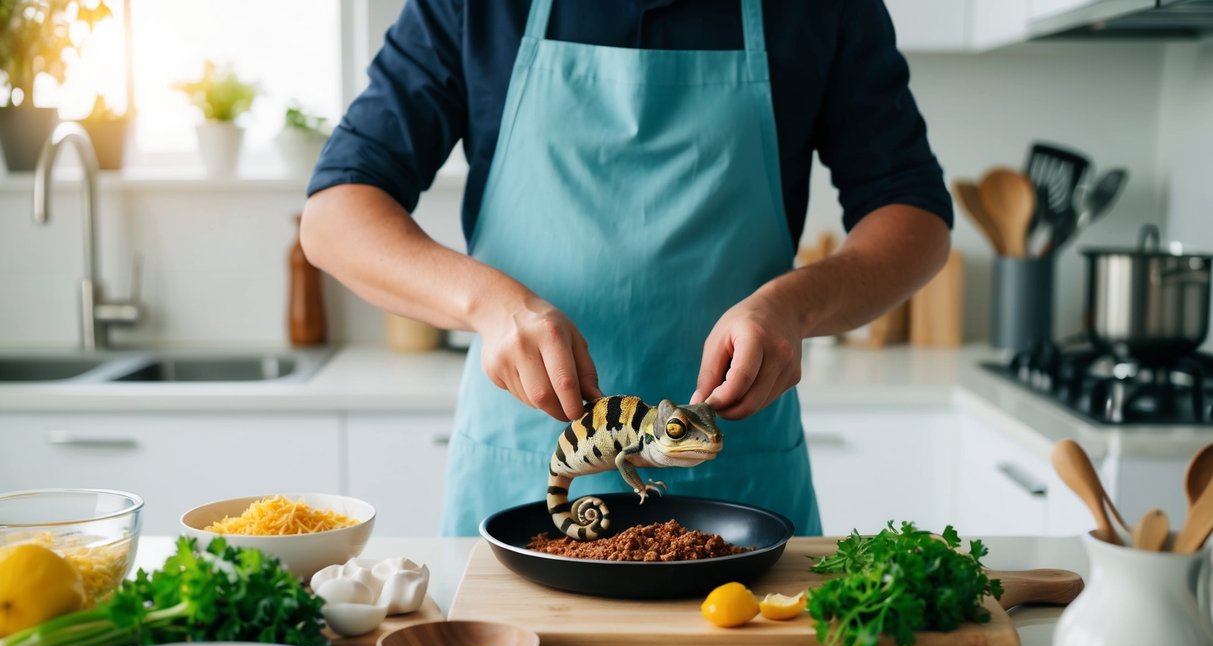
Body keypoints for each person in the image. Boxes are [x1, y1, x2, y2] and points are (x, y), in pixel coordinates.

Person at [301, 0, 952, 537]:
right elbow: (335, 216)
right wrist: (489, 306)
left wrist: (796, 306)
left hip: (735, 481)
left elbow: (913, 216)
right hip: (526, 470)